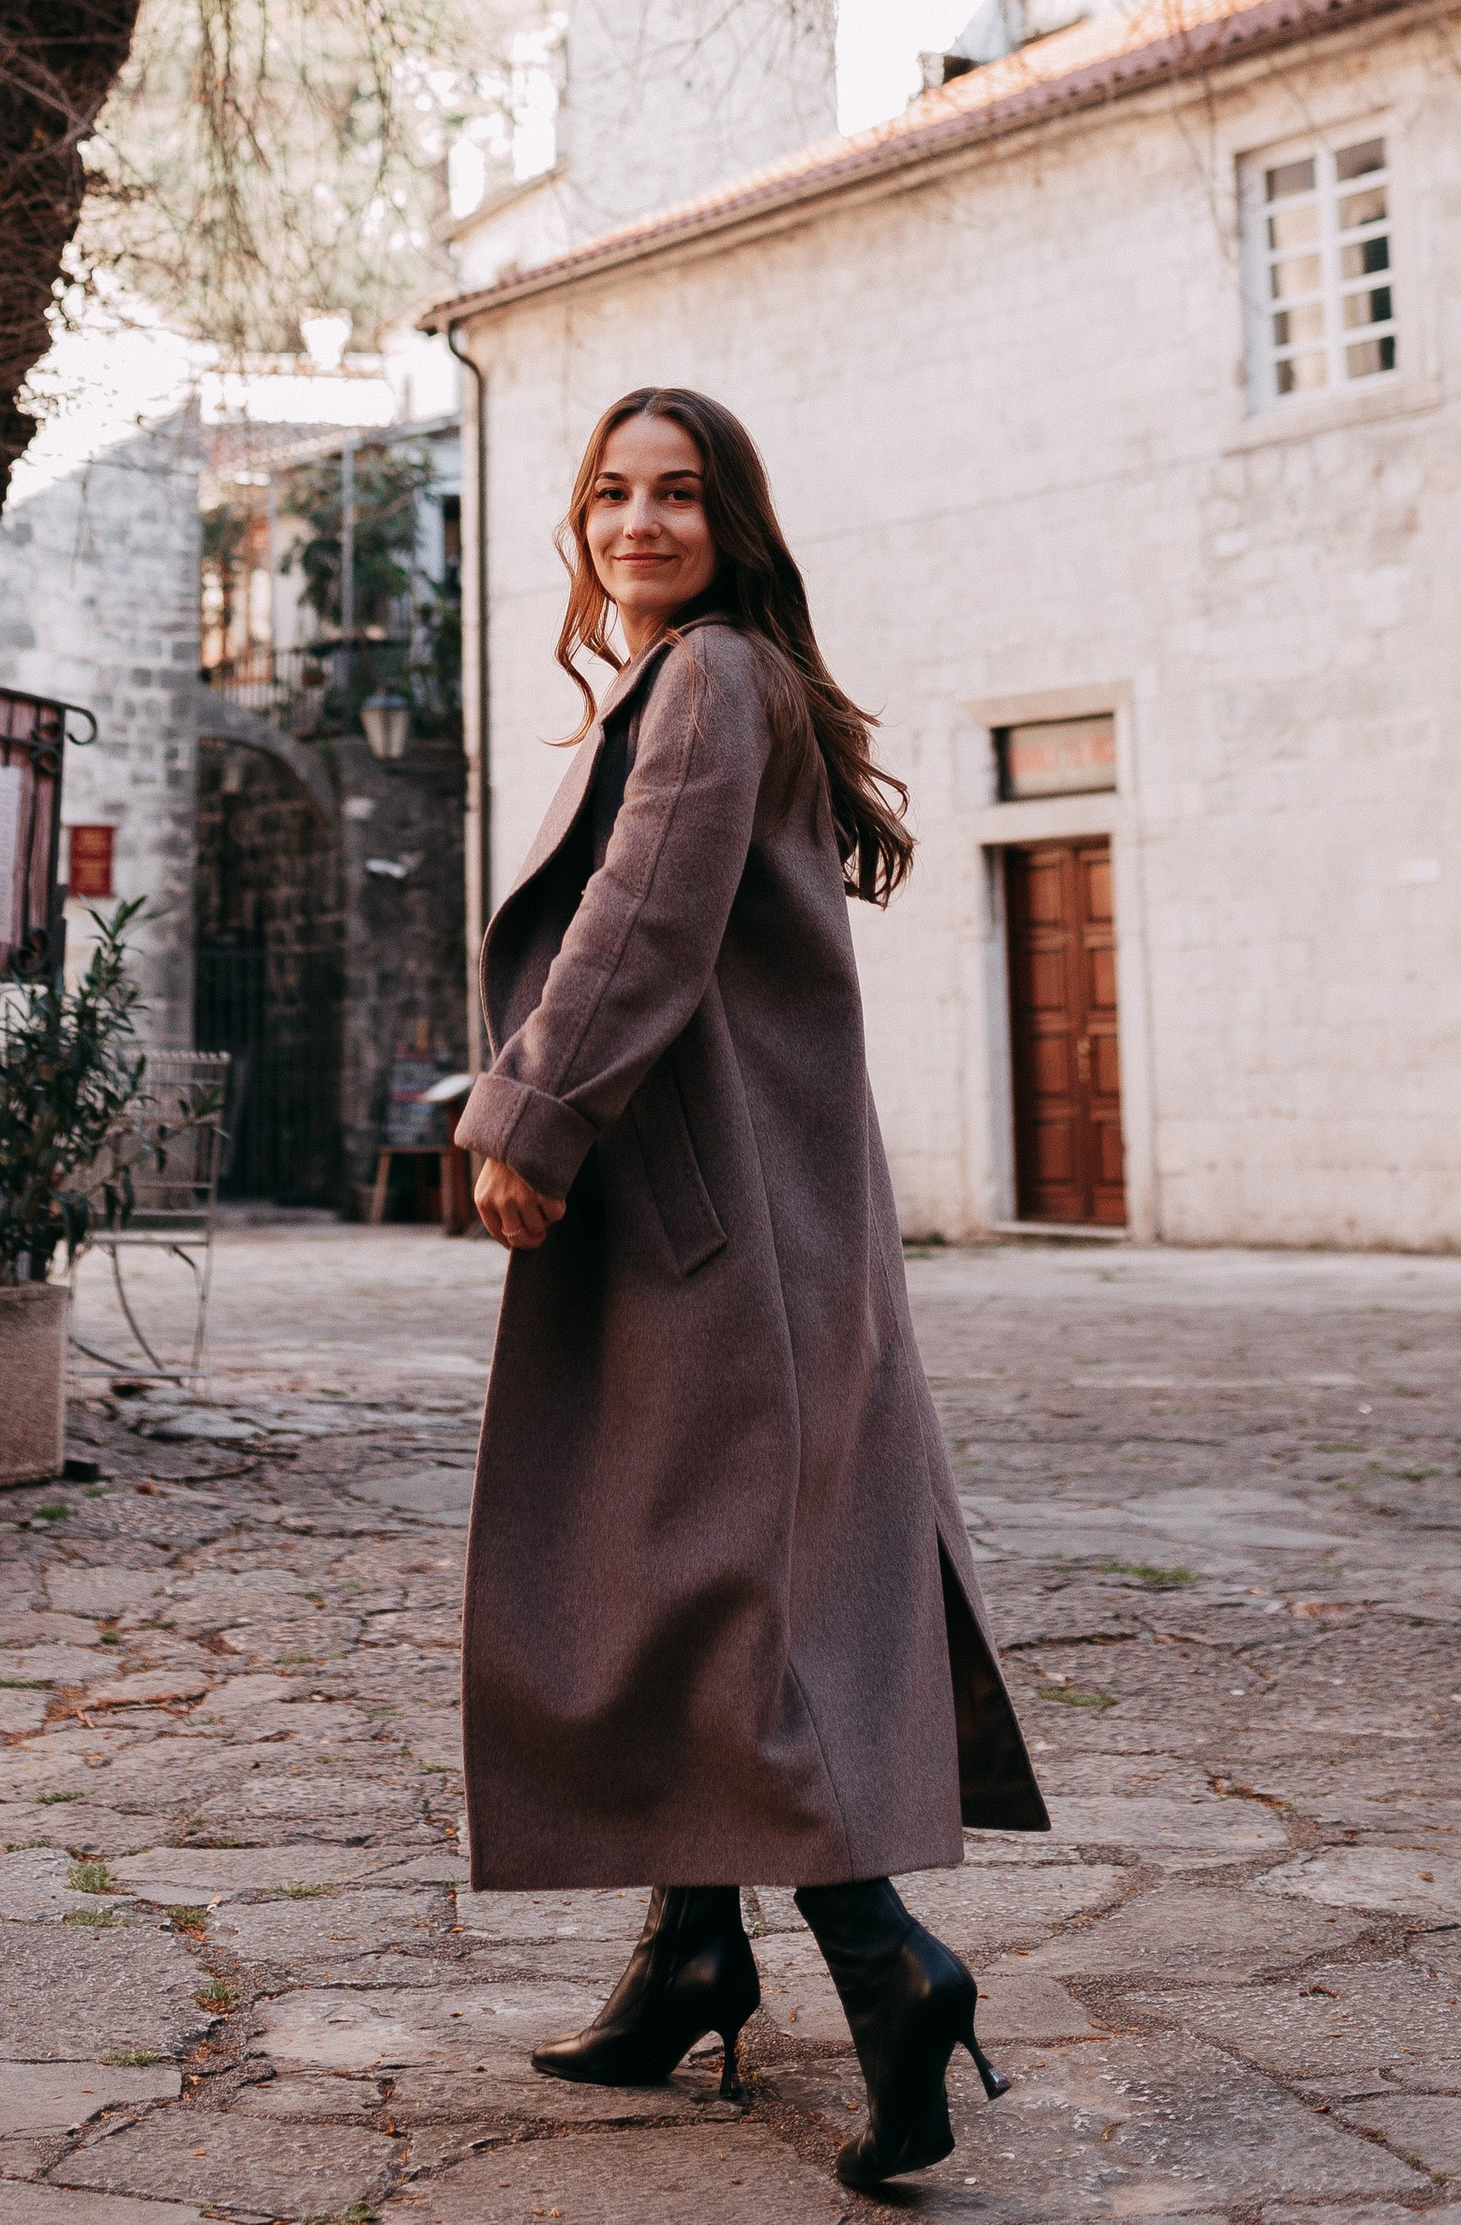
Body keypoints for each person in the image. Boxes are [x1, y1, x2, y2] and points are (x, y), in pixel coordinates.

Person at [453, 386, 1046, 2194]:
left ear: (735, 521)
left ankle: (892, 1976)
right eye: (613, 494)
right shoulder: (681, 680)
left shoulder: (708, 678)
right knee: (675, 1570)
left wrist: (531, 1120)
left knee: (720, 1590)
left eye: (680, 494)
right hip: (732, 1208)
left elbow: (649, 912)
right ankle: (688, 1956)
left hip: (714, 1229)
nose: (641, 522)